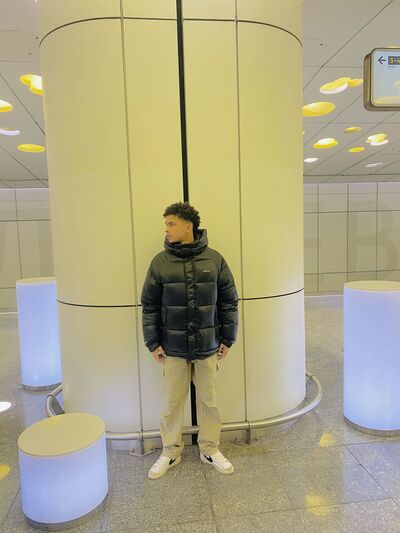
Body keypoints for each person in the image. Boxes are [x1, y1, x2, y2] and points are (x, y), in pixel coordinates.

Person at [141, 202, 238, 480]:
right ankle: (170, 452)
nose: (167, 229)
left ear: (188, 225)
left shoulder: (215, 260)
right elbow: (149, 305)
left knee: (210, 401)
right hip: (172, 348)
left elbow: (229, 302)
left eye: (171, 224)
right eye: (166, 225)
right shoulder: (160, 262)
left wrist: (228, 338)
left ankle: (210, 449)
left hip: (208, 345)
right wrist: (153, 342)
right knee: (172, 403)